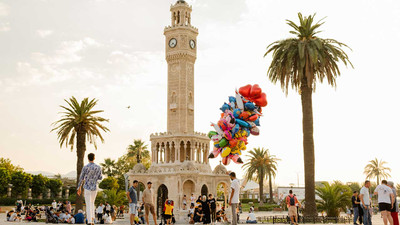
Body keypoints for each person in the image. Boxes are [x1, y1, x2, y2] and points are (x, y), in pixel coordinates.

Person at [77, 153, 103, 225]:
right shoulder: (98, 167)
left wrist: (79, 187)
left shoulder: (85, 167)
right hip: (94, 187)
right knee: (92, 203)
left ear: (88, 158)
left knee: (88, 204)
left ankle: (89, 221)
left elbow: (81, 178)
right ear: (94, 158)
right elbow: (100, 177)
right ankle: (92, 218)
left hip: (87, 187)